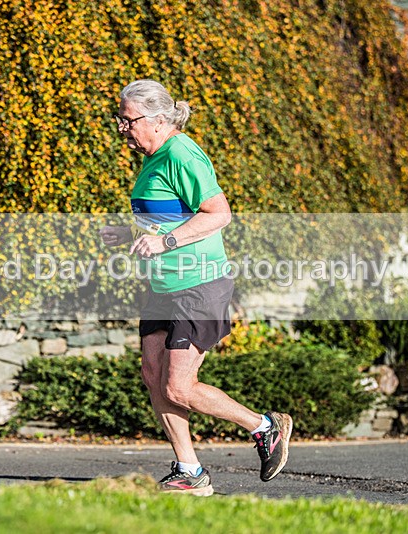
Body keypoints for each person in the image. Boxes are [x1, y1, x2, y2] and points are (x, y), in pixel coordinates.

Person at [99, 80, 293, 497]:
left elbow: (218, 214)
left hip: (199, 284)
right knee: (153, 375)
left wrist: (165, 242)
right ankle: (190, 470)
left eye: (127, 120)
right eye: (120, 120)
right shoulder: (152, 158)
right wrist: (128, 232)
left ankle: (264, 427)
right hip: (164, 286)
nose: (122, 128)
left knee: (178, 387)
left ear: (156, 120)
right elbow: (169, 217)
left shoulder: (182, 153)